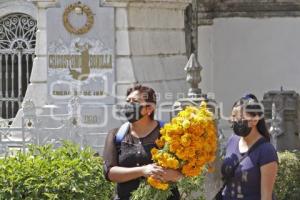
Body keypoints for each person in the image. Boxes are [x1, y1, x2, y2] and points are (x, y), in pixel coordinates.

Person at [103, 84, 182, 200]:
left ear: (149, 108)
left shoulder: (167, 133)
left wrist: (169, 175)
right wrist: (143, 171)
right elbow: (110, 173)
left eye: (135, 101)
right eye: (127, 101)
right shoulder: (116, 135)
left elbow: (180, 173)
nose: (129, 105)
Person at [221, 94, 278, 200]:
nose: (232, 120)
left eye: (238, 117)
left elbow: (266, 196)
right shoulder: (232, 141)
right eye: (232, 116)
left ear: (255, 120)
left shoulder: (266, 151)